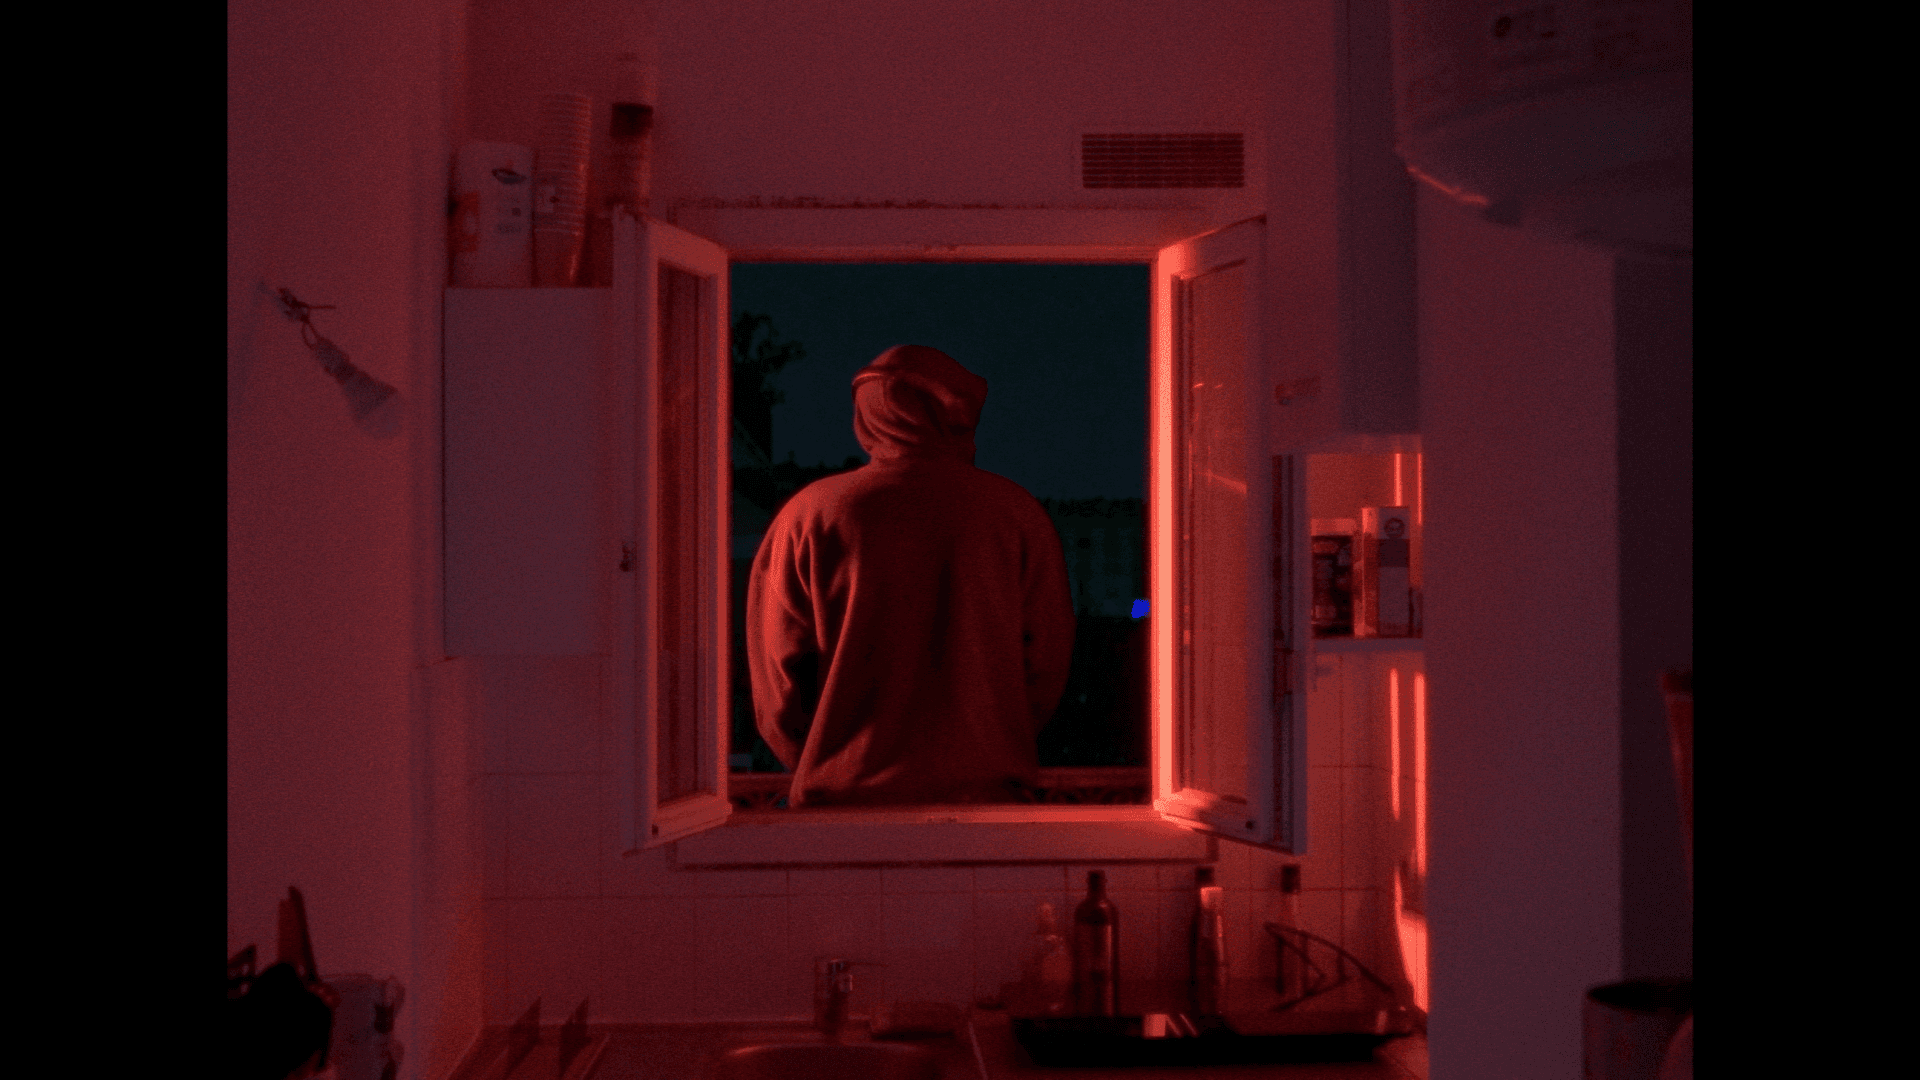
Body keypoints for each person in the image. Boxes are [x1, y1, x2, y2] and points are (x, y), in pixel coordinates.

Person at [746, 345, 1075, 806]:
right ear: (958, 413)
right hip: (987, 800)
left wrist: (824, 760)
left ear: (866, 413)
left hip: (840, 805)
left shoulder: (809, 514)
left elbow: (777, 676)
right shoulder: (1015, 514)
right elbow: (1045, 664)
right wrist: (991, 744)